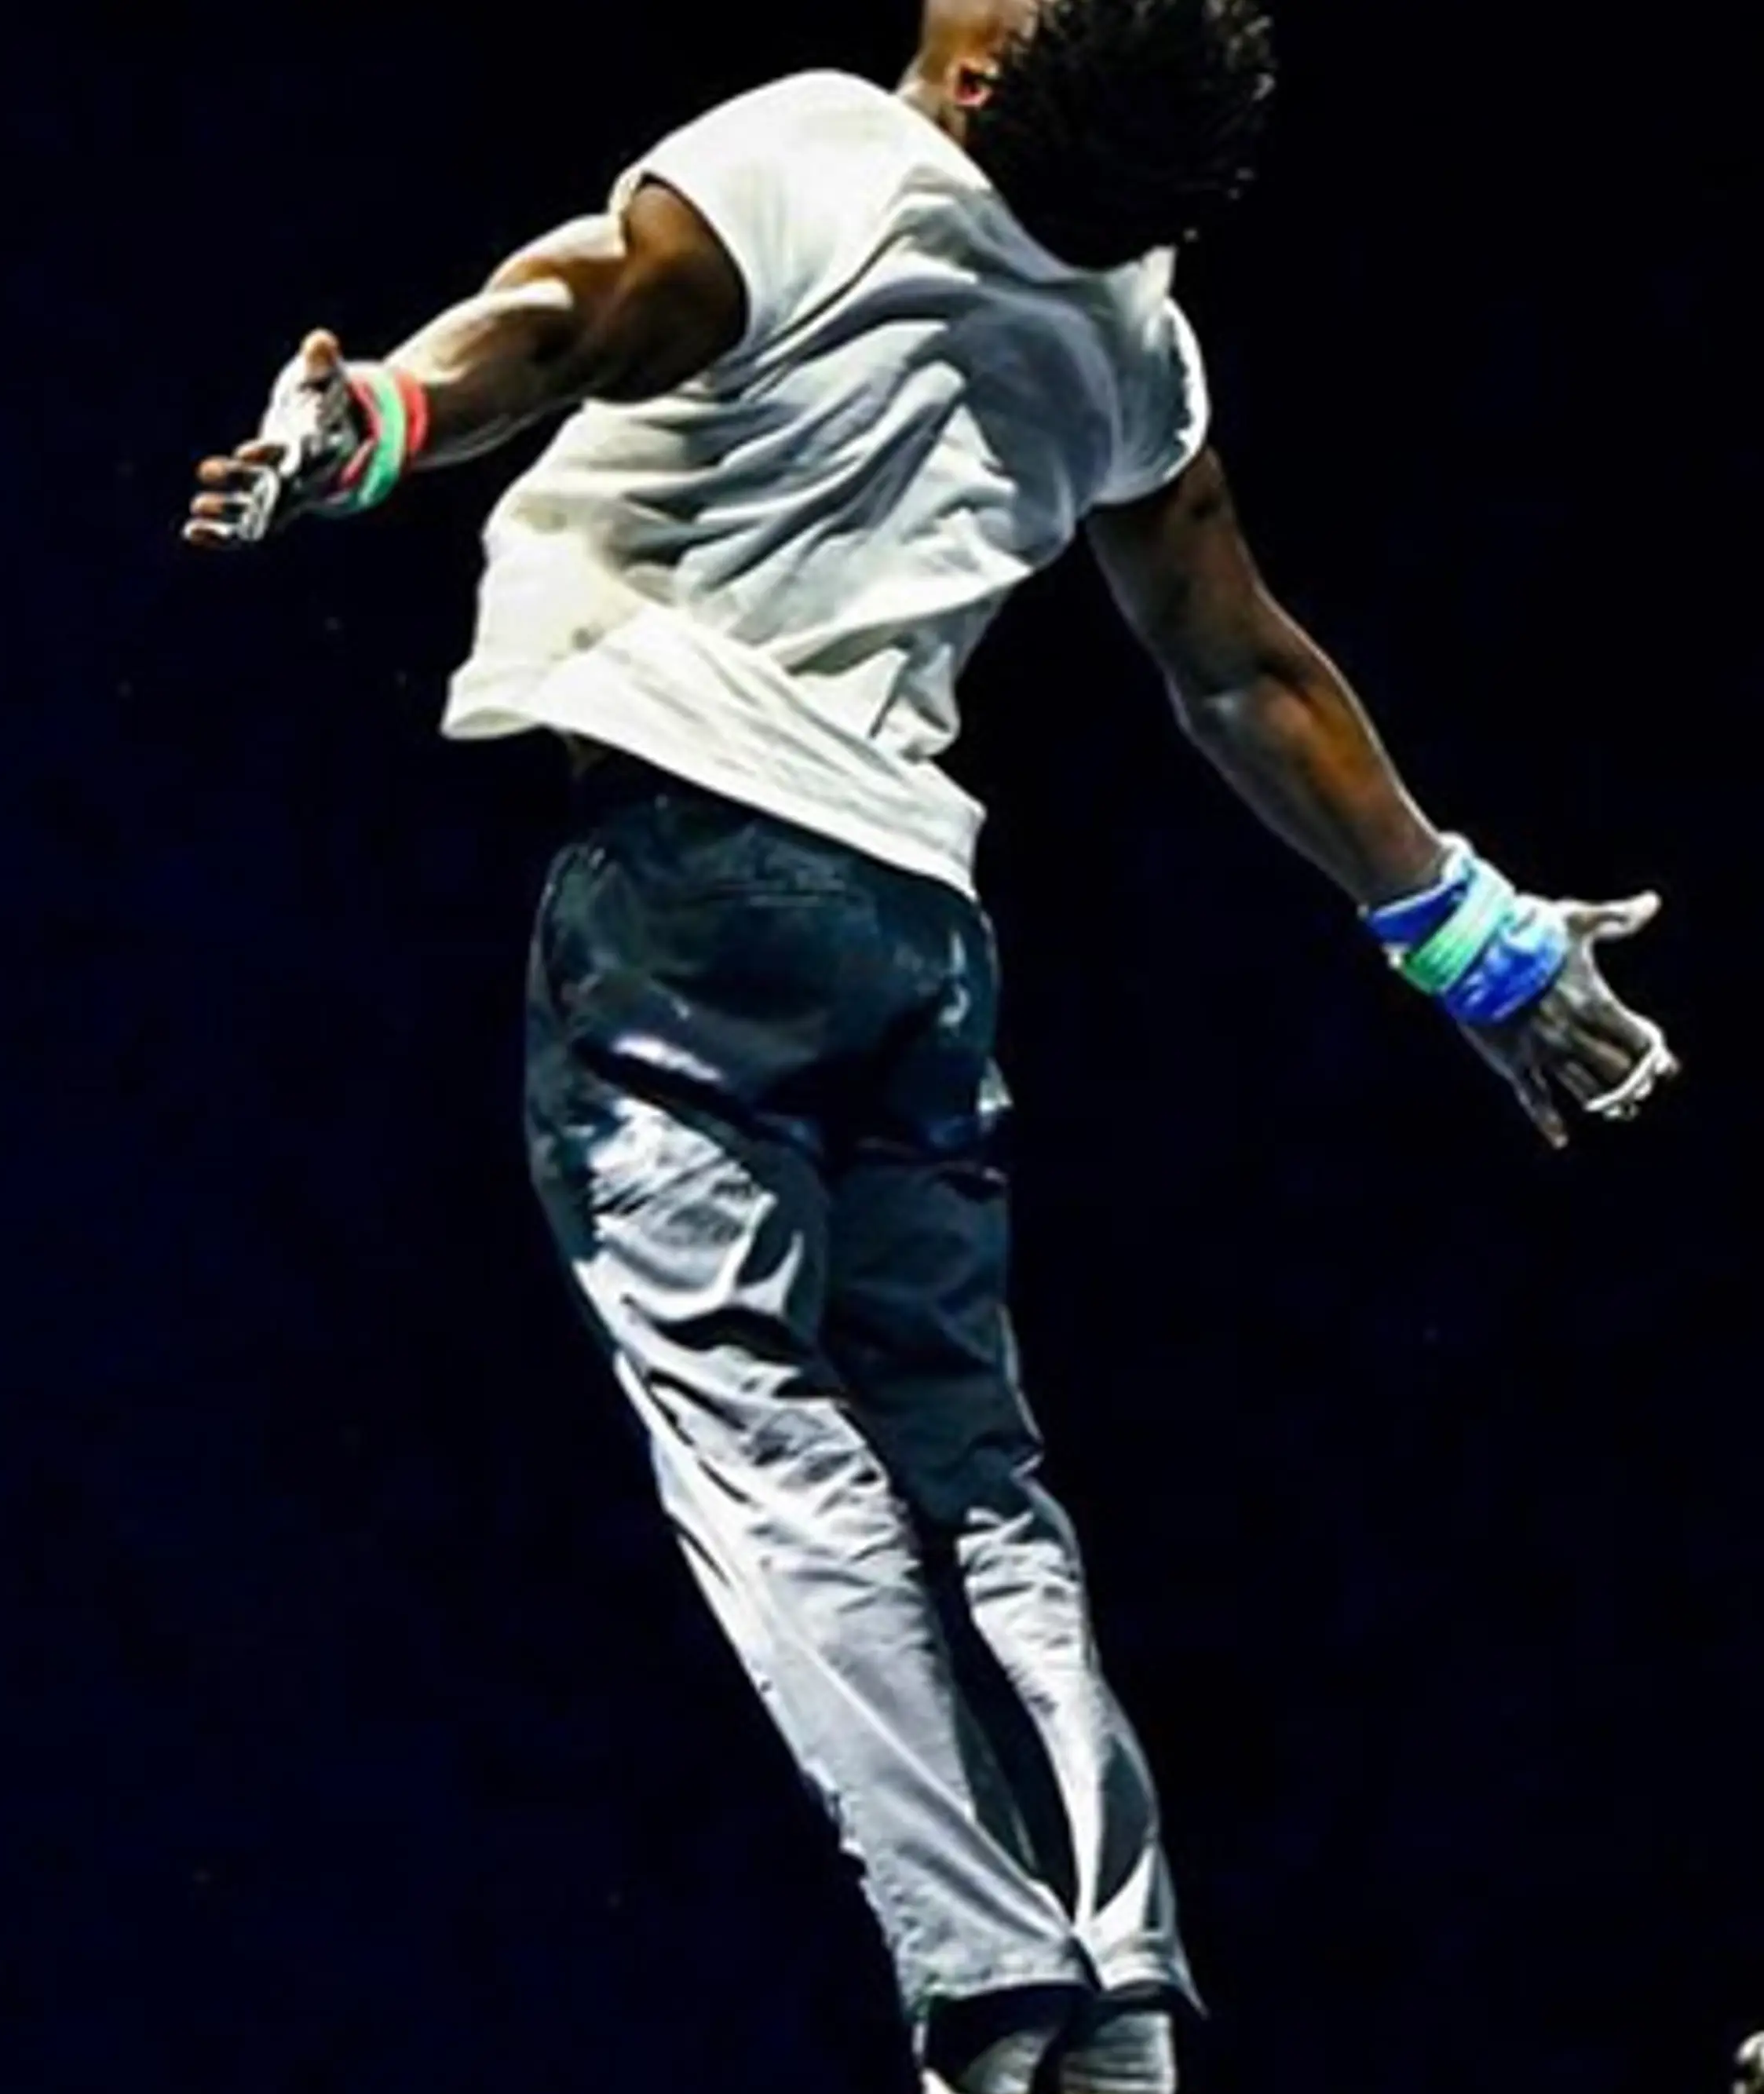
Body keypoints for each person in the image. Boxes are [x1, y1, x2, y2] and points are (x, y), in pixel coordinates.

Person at [180, 3, 1680, 2089]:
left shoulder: (826, 151)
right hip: (914, 936)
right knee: (977, 1476)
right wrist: (1478, 944)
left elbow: (589, 308)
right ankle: (1121, 1983)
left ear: (984, 81)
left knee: (754, 1425)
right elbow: (1241, 671)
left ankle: (985, 1979)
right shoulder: (1134, 334)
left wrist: (385, 426)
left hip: (697, 889)